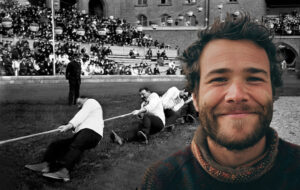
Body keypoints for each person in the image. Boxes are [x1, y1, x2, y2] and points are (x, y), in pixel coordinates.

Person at [139, 14, 300, 189]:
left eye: (253, 78)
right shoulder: (159, 181)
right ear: (196, 97)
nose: (236, 95)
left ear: (274, 92)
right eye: (219, 79)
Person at [25, 96, 104, 182]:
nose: (78, 106)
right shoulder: (90, 114)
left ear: (85, 98)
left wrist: (69, 125)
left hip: (92, 133)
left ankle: (64, 172)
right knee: (57, 145)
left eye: (78, 102)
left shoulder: (91, 102)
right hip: (87, 134)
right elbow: (80, 123)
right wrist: (69, 127)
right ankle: (46, 165)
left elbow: (81, 115)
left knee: (75, 146)